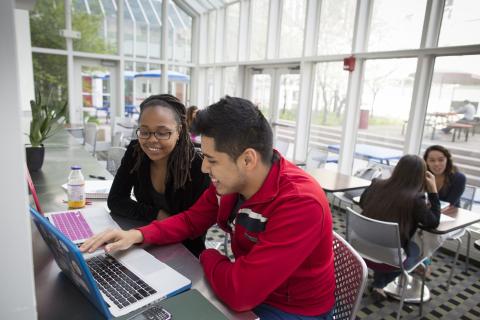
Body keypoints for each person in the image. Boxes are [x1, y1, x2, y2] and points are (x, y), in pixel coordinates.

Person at [82, 96, 336, 319]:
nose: (204, 169)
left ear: (248, 159)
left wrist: (208, 255)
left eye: (212, 160)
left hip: (289, 309)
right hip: (251, 289)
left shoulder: (300, 202)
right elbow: (191, 220)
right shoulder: (233, 180)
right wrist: (136, 235)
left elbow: (240, 293)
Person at [107, 94, 210, 257]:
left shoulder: (197, 167)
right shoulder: (136, 152)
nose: (151, 140)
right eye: (145, 131)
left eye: (163, 133)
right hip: (144, 241)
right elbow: (116, 200)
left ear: (179, 131)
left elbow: (194, 229)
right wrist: (156, 214)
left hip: (184, 251)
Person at [359, 155, 441, 301]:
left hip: (359, 250)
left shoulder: (376, 184)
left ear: (397, 169)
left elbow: (363, 203)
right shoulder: (416, 199)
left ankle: (379, 283)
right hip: (389, 258)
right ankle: (380, 283)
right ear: (421, 176)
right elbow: (433, 222)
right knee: (418, 250)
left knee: (390, 243)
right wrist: (433, 191)